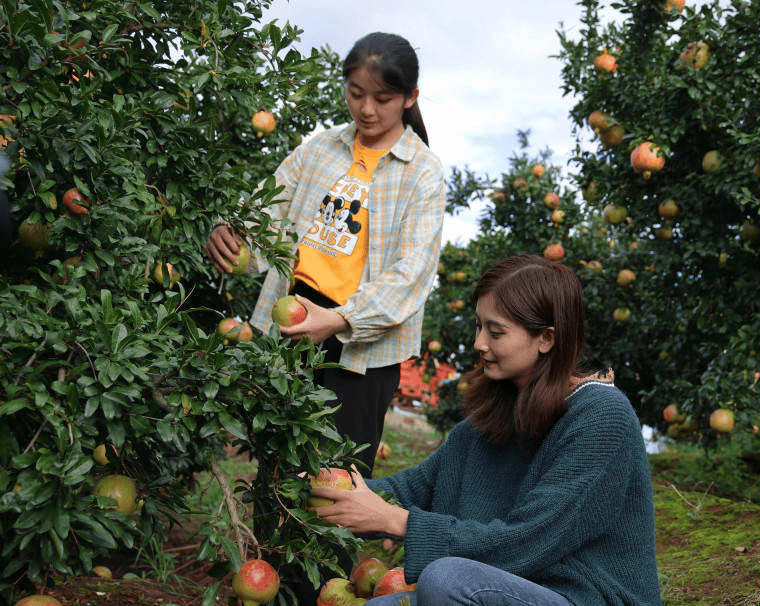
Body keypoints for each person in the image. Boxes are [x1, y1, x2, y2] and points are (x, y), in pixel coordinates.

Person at [312, 254, 662, 606]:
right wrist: (317, 486)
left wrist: (397, 522)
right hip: (511, 589)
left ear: (546, 338)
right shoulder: (489, 422)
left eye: (495, 332)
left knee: (446, 579)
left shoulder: (600, 417)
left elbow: (527, 542)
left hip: (585, 597)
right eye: (478, 326)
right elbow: (408, 491)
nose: (479, 343)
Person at [204, 32, 445, 479]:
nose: (367, 109)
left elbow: (411, 275)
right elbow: (265, 209)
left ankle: (323, 554)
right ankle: (269, 551)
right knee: (276, 470)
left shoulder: (423, 173)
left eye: (383, 98)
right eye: (356, 94)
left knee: (335, 484)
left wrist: (337, 321)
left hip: (361, 344)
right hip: (291, 316)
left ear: (410, 98)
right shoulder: (320, 150)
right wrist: (228, 229)